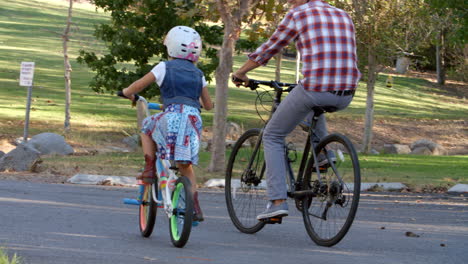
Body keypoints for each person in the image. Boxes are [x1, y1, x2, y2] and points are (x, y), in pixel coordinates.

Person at [232, 0, 361, 221]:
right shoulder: (343, 15)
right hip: (347, 92)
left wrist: (241, 72)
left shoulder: (298, 14)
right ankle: (322, 156)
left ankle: (276, 202)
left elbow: (270, 48)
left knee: (272, 135)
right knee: (310, 106)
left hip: (316, 88)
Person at [120, 26, 213, 222]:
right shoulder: (199, 74)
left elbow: (138, 85)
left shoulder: (164, 67)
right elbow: (209, 105)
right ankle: (194, 206)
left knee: (146, 126)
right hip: (193, 120)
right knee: (185, 165)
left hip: (170, 118)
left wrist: (127, 92)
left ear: (170, 46)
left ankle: (149, 168)